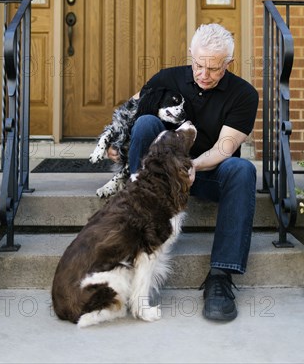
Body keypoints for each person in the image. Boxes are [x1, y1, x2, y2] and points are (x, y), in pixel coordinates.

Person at [108, 23, 259, 322]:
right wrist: (116, 140)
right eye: (198, 65)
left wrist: (193, 165)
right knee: (145, 123)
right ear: (191, 55)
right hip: (159, 181)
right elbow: (131, 108)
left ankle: (220, 277)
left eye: (214, 69)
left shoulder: (244, 94)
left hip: (205, 172)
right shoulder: (167, 78)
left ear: (229, 64)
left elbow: (224, 148)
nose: (204, 74)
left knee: (242, 170)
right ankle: (135, 221)